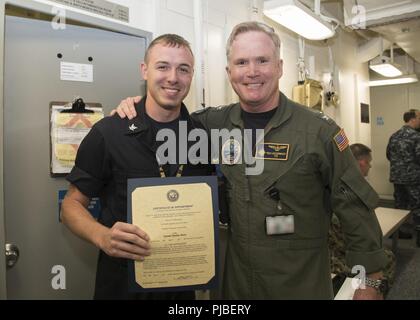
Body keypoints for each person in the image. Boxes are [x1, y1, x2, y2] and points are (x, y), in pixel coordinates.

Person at [112, 21, 388, 300]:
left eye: (262, 61)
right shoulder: (211, 124)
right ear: (229, 72)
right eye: (242, 62)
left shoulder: (319, 131)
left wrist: (369, 280)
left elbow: (355, 208)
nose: (252, 72)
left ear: (279, 67)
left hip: (300, 284)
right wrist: (137, 105)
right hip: (238, 285)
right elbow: (165, 117)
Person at [61, 34, 213, 299]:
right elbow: (71, 205)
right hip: (121, 285)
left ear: (191, 76)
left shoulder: (202, 136)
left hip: (180, 286)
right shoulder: (108, 132)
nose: (173, 77)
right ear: (145, 70)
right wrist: (102, 236)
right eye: (163, 66)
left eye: (183, 69)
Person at [329, 143, 395, 296]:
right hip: (340, 259)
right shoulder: (349, 192)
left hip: (334, 253)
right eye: (369, 163)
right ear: (361, 163)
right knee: (387, 258)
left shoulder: (333, 184)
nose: (370, 166)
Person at [386, 109, 420, 246]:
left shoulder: (394, 136)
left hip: (397, 177)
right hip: (413, 178)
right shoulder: (416, 137)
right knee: (417, 205)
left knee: (400, 205)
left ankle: (399, 232)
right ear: (413, 119)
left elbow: (388, 155)